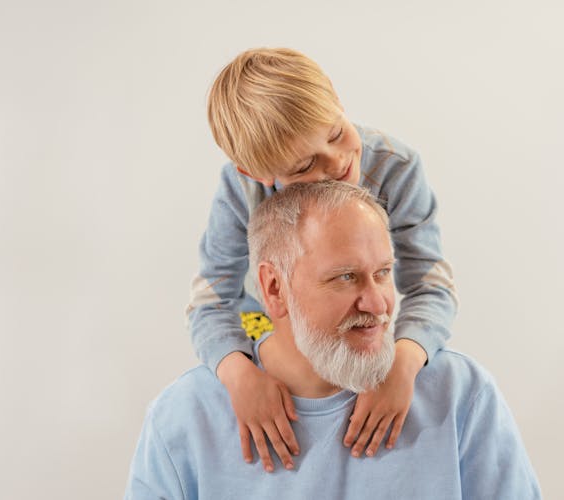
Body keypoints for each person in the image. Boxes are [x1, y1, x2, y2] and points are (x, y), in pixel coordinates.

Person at [127, 181, 541, 500]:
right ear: (274, 289)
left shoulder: (461, 397)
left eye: (383, 273)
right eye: (345, 277)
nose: (379, 303)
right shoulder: (182, 421)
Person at [186, 47, 458, 471]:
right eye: (304, 166)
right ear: (255, 174)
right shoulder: (239, 193)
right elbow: (212, 298)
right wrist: (240, 370)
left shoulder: (396, 166)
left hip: (366, 341)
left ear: (335, 96)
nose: (338, 164)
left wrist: (403, 363)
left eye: (335, 134)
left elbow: (431, 282)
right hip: (268, 333)